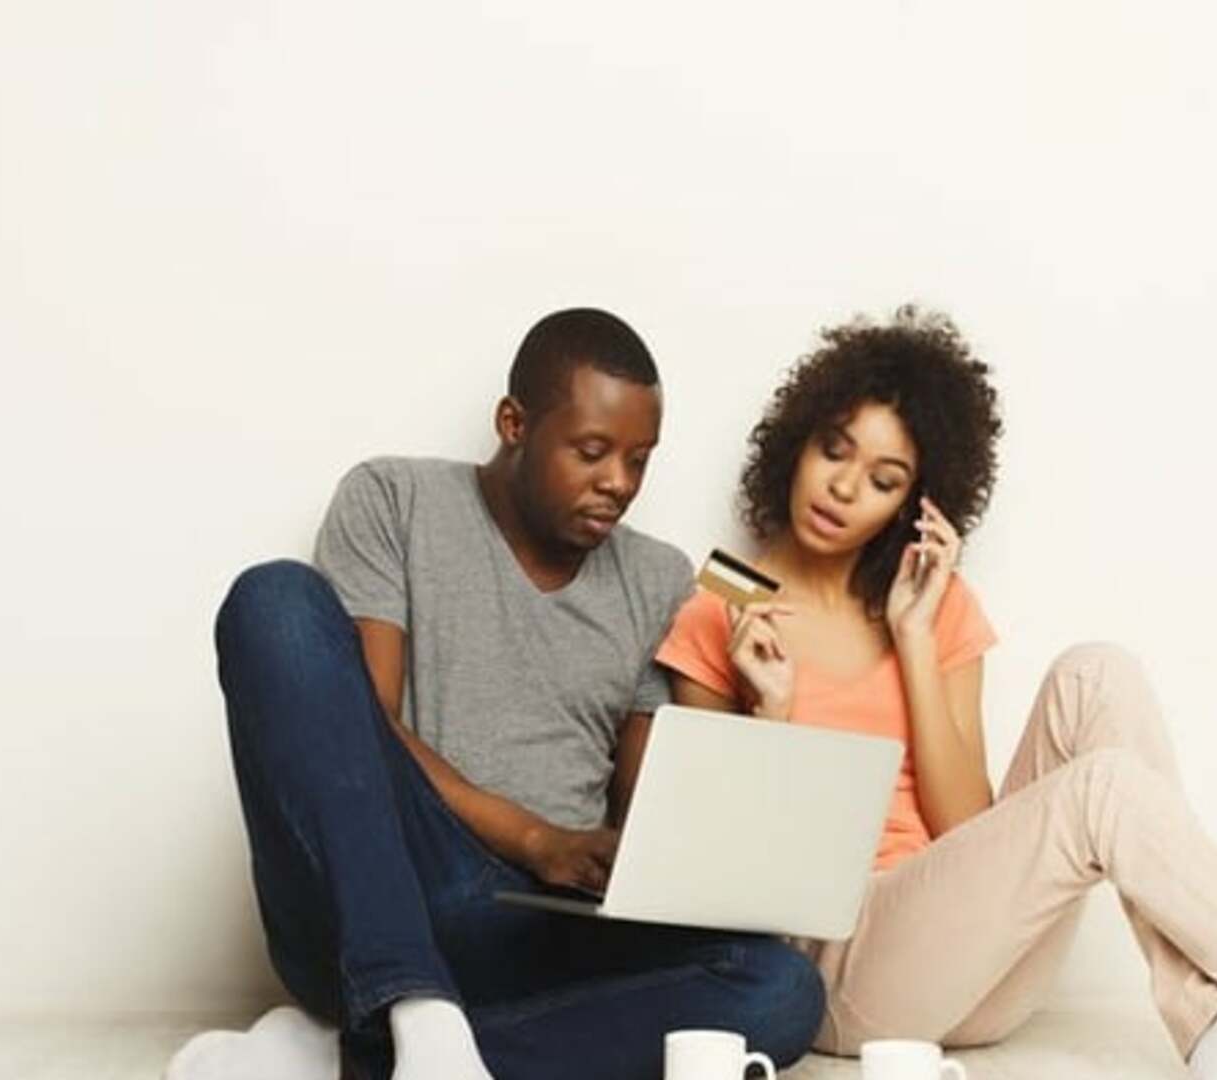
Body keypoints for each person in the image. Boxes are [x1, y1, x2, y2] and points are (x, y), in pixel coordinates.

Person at [653, 307, 1217, 1080]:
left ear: (914, 502)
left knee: (1097, 673)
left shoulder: (931, 604)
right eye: (834, 450)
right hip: (843, 975)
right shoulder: (721, 609)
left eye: (883, 479)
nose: (843, 488)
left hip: (979, 966)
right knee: (1101, 792)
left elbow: (965, 827)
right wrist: (770, 710)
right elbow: (732, 887)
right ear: (797, 440)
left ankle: (1213, 1016)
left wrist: (915, 642)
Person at [178, 308, 825, 1080]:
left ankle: (358, 1056)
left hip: (538, 931)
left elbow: (645, 809)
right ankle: (409, 1001)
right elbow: (366, 731)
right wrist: (533, 838)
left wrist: (760, 709)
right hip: (384, 893)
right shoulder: (393, 499)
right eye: (592, 452)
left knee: (780, 992)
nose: (618, 483)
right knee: (274, 601)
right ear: (514, 423)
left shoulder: (657, 576)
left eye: (639, 461)